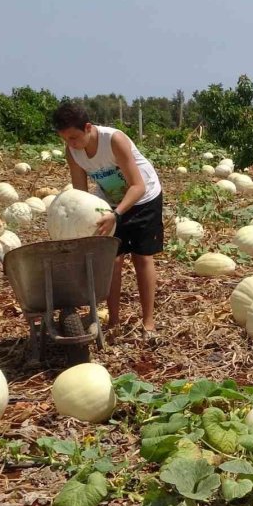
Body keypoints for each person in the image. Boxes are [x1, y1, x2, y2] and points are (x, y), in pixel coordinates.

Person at [52, 101, 163, 335]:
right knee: (112, 261)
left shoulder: (114, 140)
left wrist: (117, 215)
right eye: (65, 139)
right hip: (109, 203)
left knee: (142, 258)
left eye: (73, 137)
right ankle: (114, 321)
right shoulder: (73, 152)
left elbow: (138, 185)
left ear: (88, 127)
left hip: (144, 198)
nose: (71, 144)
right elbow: (80, 193)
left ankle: (149, 322)